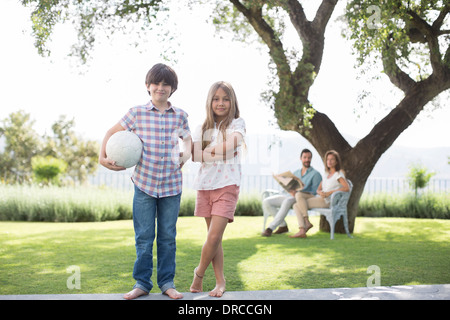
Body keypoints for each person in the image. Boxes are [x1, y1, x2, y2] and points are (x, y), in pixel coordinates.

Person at [98, 63, 191, 300]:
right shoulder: (136, 113)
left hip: (171, 186)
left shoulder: (180, 115)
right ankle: (141, 283)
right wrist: (102, 157)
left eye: (165, 84)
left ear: (172, 88)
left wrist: (186, 155)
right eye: (156, 83)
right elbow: (110, 133)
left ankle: (167, 283)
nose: (160, 88)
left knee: (168, 237)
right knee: (144, 237)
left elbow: (188, 141)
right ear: (148, 86)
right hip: (144, 185)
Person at [189, 81, 246, 298]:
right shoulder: (201, 128)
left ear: (232, 102)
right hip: (205, 186)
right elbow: (194, 155)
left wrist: (210, 151)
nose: (220, 103)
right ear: (209, 101)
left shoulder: (237, 124)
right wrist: (220, 153)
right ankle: (220, 282)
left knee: (213, 238)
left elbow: (232, 145)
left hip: (227, 186)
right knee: (215, 239)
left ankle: (199, 274)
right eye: (216, 98)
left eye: (225, 98)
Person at [261, 149, 322, 237]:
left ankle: (270, 228)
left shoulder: (316, 174)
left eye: (309, 158)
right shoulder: (296, 172)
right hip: (290, 195)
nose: (307, 159)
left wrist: (301, 190)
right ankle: (283, 226)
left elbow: (315, 192)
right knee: (267, 202)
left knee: (287, 201)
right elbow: (290, 186)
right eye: (305, 157)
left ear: (311, 159)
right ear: (301, 158)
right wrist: (289, 190)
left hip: (301, 198)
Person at [290, 150, 350, 238]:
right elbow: (318, 189)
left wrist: (329, 193)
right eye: (328, 159)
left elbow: (346, 188)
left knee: (296, 205)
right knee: (297, 198)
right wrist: (320, 192)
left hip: (328, 201)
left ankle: (303, 228)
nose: (329, 161)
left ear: (336, 161)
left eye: (332, 159)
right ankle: (304, 226)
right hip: (321, 198)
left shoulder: (338, 174)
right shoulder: (327, 174)